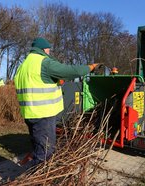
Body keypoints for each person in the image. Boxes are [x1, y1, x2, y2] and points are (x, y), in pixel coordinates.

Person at [14, 37, 98, 167]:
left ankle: (36, 174)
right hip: (43, 115)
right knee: (45, 153)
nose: (49, 53)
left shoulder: (23, 65)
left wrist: (55, 81)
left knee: (38, 147)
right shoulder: (44, 62)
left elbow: (36, 83)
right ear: (43, 49)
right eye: (48, 50)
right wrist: (90, 67)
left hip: (30, 114)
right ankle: (37, 178)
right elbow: (70, 71)